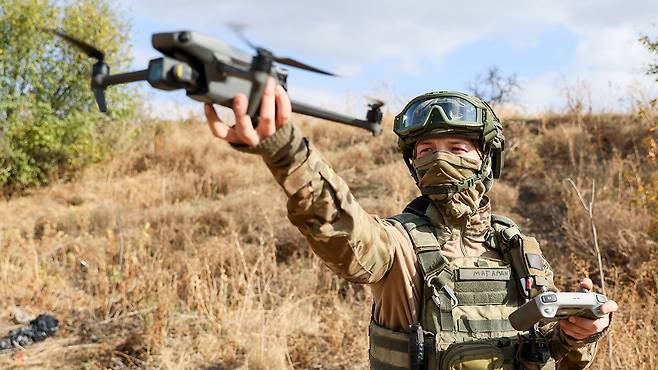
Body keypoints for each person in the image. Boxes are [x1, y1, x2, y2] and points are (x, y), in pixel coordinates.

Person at [203, 77, 618, 369]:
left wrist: (579, 334)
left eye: (457, 146)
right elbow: (344, 231)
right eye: (425, 150)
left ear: (486, 159)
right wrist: (287, 152)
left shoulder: (519, 249)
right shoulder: (399, 243)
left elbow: (545, 353)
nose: (439, 158)